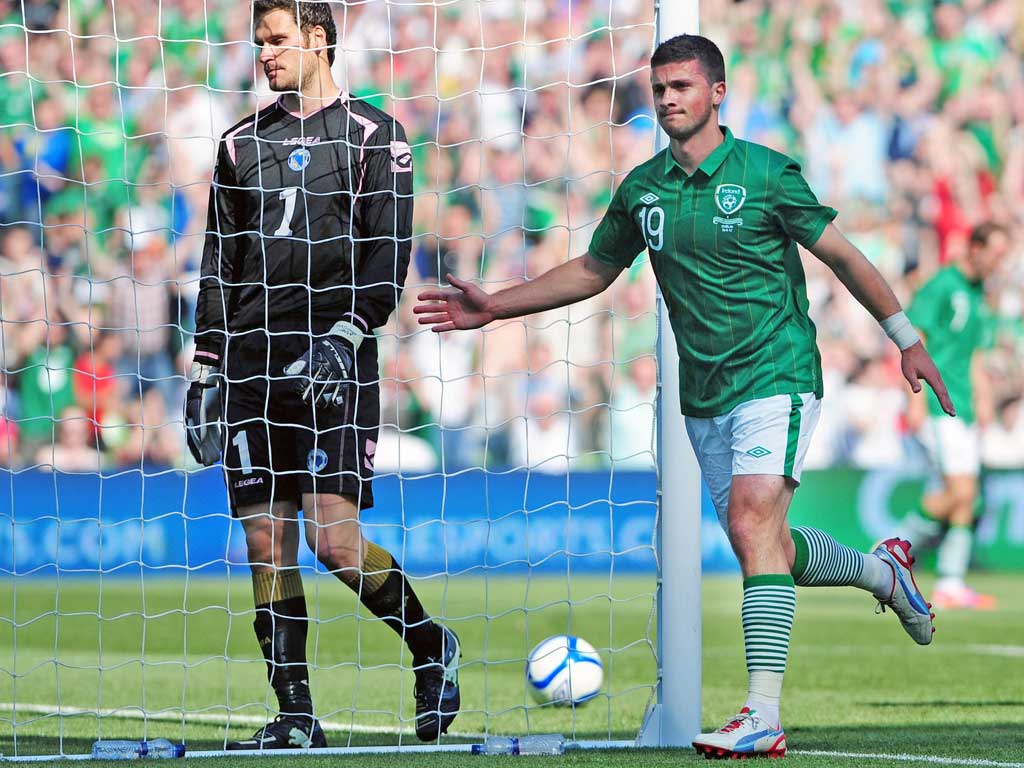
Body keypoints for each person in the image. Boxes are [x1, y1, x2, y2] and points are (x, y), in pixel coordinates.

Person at [415, 34, 950, 759]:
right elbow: (593, 271)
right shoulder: (644, 189)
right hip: (705, 394)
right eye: (659, 88)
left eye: (682, 87)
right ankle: (885, 574)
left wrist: (905, 337)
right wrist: (496, 306)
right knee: (767, 543)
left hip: (779, 372)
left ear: (717, 93)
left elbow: (844, 256)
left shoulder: (765, 173)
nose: (668, 98)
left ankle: (762, 712)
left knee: (751, 515)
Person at [185, 0, 459, 750]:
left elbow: (388, 249)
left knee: (334, 542)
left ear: (317, 38)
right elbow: (220, 262)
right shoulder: (240, 143)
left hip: (333, 361)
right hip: (250, 364)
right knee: (265, 544)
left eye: (276, 40)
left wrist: (350, 330)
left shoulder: (378, 137)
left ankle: (431, 647)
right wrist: (205, 367)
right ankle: (296, 715)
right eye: (258, 43)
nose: (264, 55)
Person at [900, 222, 1009, 611]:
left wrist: (984, 401)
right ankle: (889, 552)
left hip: (962, 406)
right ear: (974, 247)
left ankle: (949, 582)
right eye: (994, 253)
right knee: (960, 491)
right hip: (935, 401)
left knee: (967, 497)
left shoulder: (980, 295)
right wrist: (913, 399)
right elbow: (918, 339)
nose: (998, 262)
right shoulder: (944, 284)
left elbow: (976, 355)